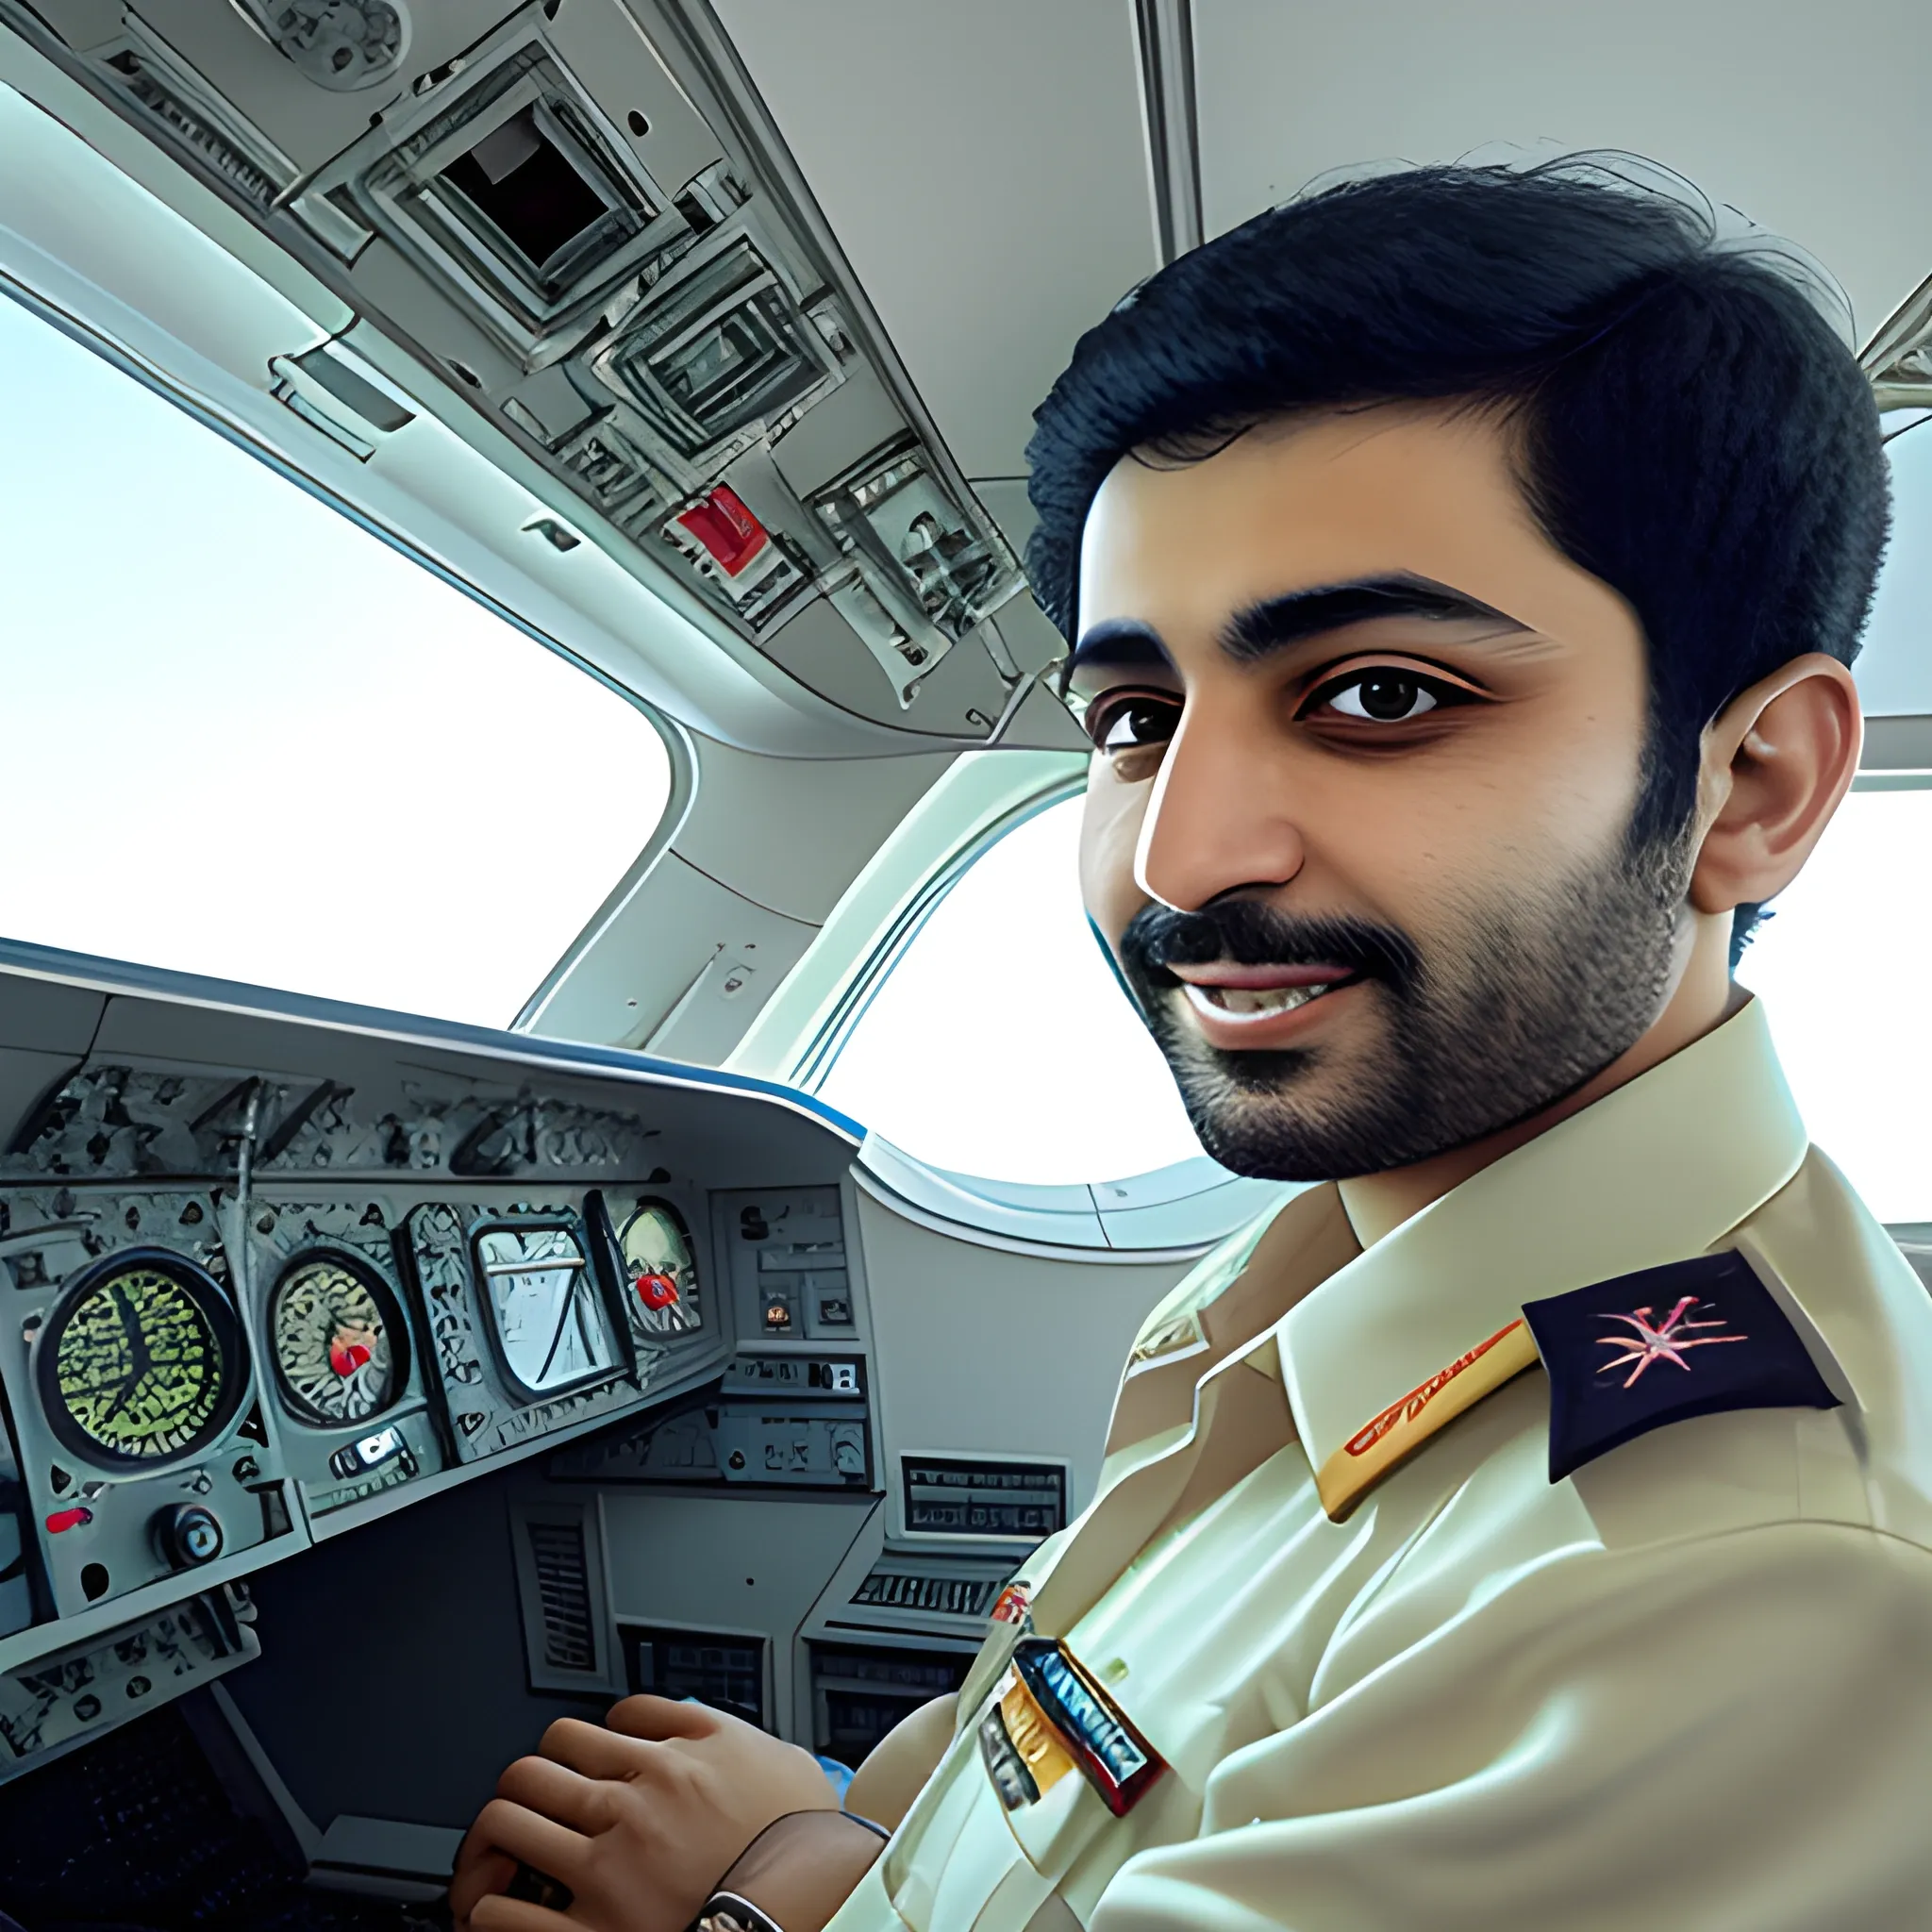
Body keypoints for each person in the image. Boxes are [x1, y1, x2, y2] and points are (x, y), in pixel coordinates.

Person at [450, 157, 1932, 1932]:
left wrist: (767, 1893)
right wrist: (860, 1824)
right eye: (1136, 717)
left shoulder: (1746, 1586)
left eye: (1377, 695)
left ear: (1749, 785)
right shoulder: (1337, 1260)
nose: (1177, 855)